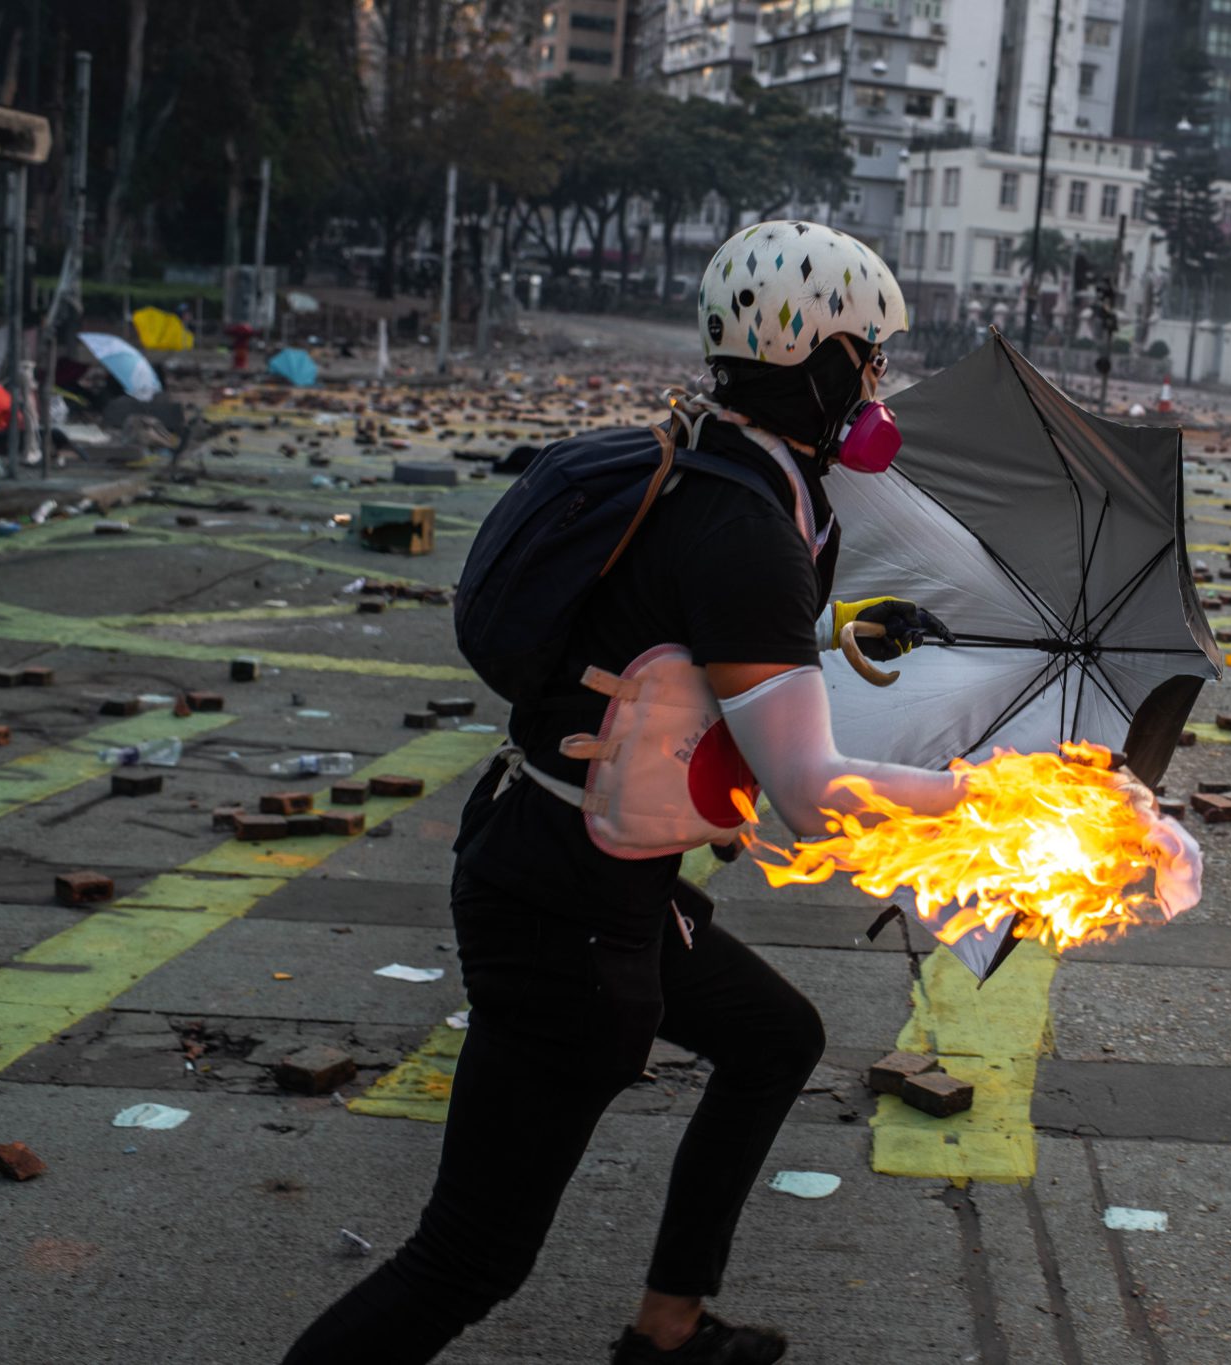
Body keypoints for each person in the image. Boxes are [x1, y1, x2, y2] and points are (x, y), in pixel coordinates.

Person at [282, 221, 973, 1365]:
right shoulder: (747, 526)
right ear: (817, 359)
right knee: (465, 1260)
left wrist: (835, 631)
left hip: (580, 868)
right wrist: (985, 796)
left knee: (773, 1039)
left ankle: (669, 1329)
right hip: (563, 919)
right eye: (869, 358)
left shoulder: (707, 457)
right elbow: (810, 796)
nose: (878, 385)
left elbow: (674, 634)